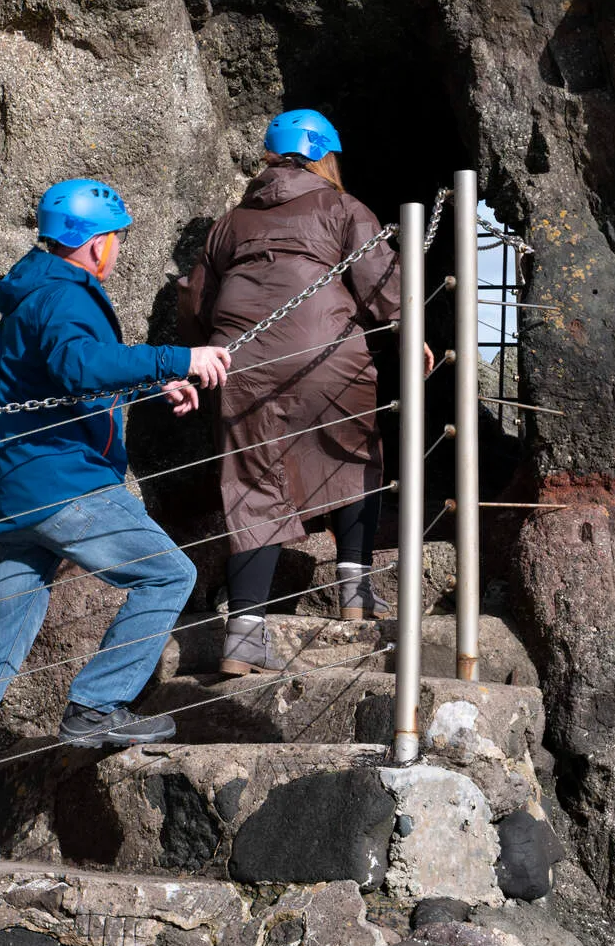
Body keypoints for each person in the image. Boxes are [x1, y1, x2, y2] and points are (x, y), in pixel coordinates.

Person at [0, 178, 232, 866]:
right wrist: (180, 357)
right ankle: (98, 704)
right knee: (169, 573)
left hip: (11, 498)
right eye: (116, 240)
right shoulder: (63, 293)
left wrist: (149, 384)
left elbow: (64, 376)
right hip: (61, 487)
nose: (118, 252)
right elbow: (80, 366)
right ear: (94, 243)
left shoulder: (35, 289)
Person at [180, 110, 430, 676]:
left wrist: (205, 356)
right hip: (325, 354)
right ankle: (355, 591)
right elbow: (380, 282)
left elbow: (195, 302)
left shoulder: (231, 222)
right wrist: (411, 332)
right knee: (353, 448)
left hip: (239, 360)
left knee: (250, 481)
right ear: (325, 155)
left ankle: (244, 635)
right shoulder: (343, 207)